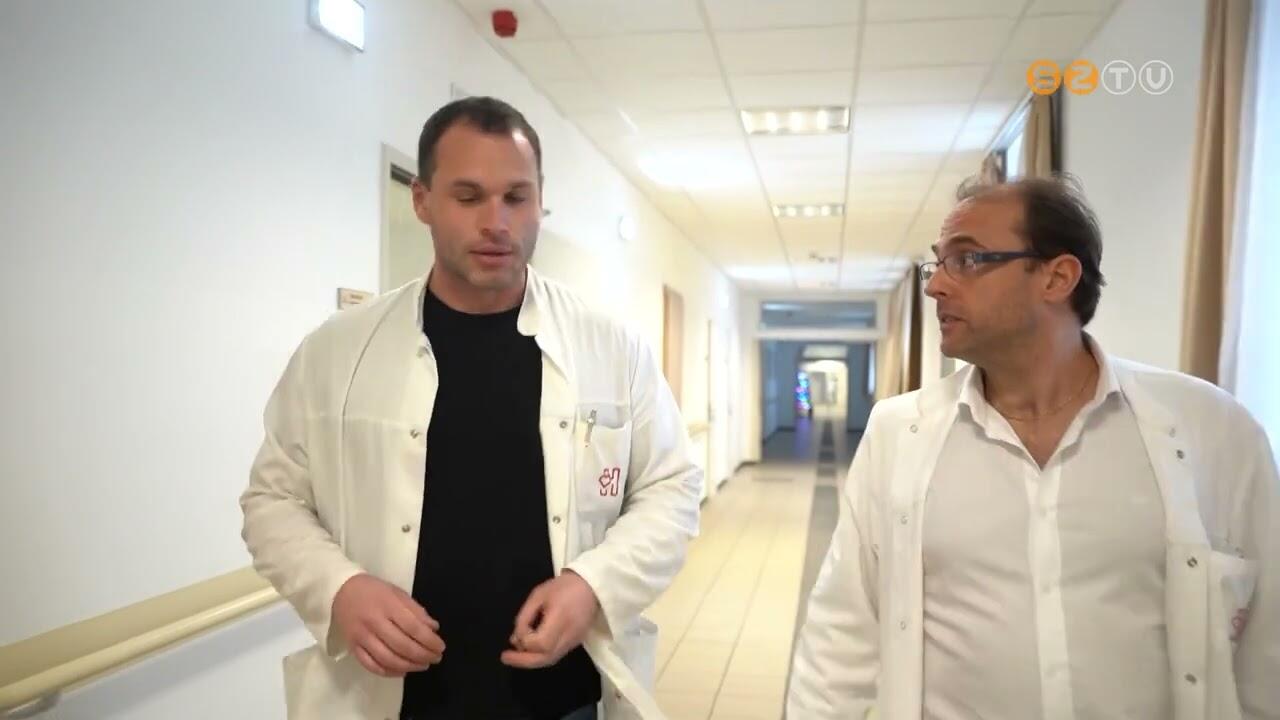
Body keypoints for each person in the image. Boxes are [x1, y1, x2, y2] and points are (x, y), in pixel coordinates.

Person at [241, 96, 702, 720]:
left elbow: (672, 487)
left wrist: (593, 586)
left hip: (560, 699)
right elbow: (272, 500)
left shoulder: (611, 347)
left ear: (540, 201)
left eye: (516, 197)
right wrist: (339, 589)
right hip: (397, 700)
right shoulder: (337, 351)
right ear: (422, 200)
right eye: (468, 196)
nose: (497, 222)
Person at [786, 174, 1278, 719]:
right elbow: (841, 637)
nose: (935, 286)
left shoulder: (1212, 430)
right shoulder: (898, 432)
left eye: (966, 260)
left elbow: (1267, 646)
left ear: (1057, 277)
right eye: (937, 264)